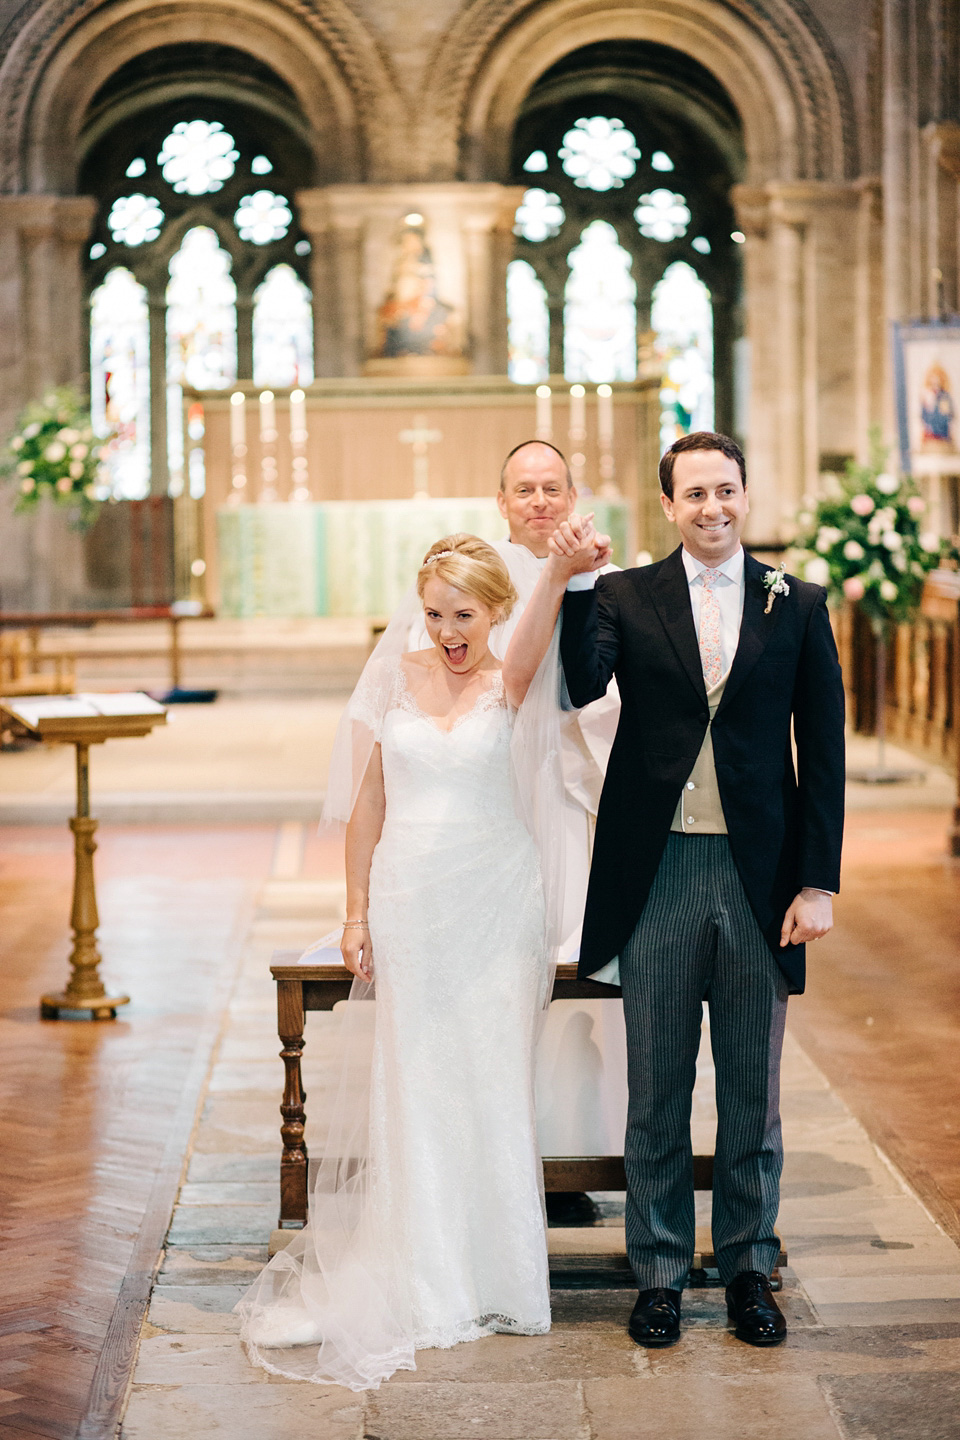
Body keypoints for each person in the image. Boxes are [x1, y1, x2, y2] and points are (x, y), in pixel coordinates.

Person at [503, 431, 845, 1349]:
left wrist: (817, 880)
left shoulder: (798, 605)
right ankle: (656, 1275)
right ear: (668, 505)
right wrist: (575, 582)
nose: (713, 509)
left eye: (726, 491)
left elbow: (825, 750)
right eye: (694, 494)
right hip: (653, 875)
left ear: (747, 494)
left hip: (756, 882)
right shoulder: (624, 594)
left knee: (750, 1094)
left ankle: (745, 1270)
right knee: (654, 1093)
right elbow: (579, 687)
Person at [236, 534, 564, 1391]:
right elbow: (367, 806)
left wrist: (561, 565)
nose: (449, 631)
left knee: (490, 1081)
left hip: (497, 901)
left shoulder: (515, 679)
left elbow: (535, 634)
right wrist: (354, 913)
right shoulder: (397, 681)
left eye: (465, 615)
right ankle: (424, 1279)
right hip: (411, 900)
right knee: (416, 1081)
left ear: (495, 611)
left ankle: (498, 1280)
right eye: (434, 615)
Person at [492, 441, 628, 1187]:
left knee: (570, 956)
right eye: (524, 489)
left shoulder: (610, 580)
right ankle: (501, 1147)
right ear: (502, 503)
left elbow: (608, 692)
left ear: (573, 498)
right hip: (498, 786)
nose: (539, 500)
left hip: (572, 789)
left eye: (552, 488)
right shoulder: (480, 573)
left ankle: (572, 1147)